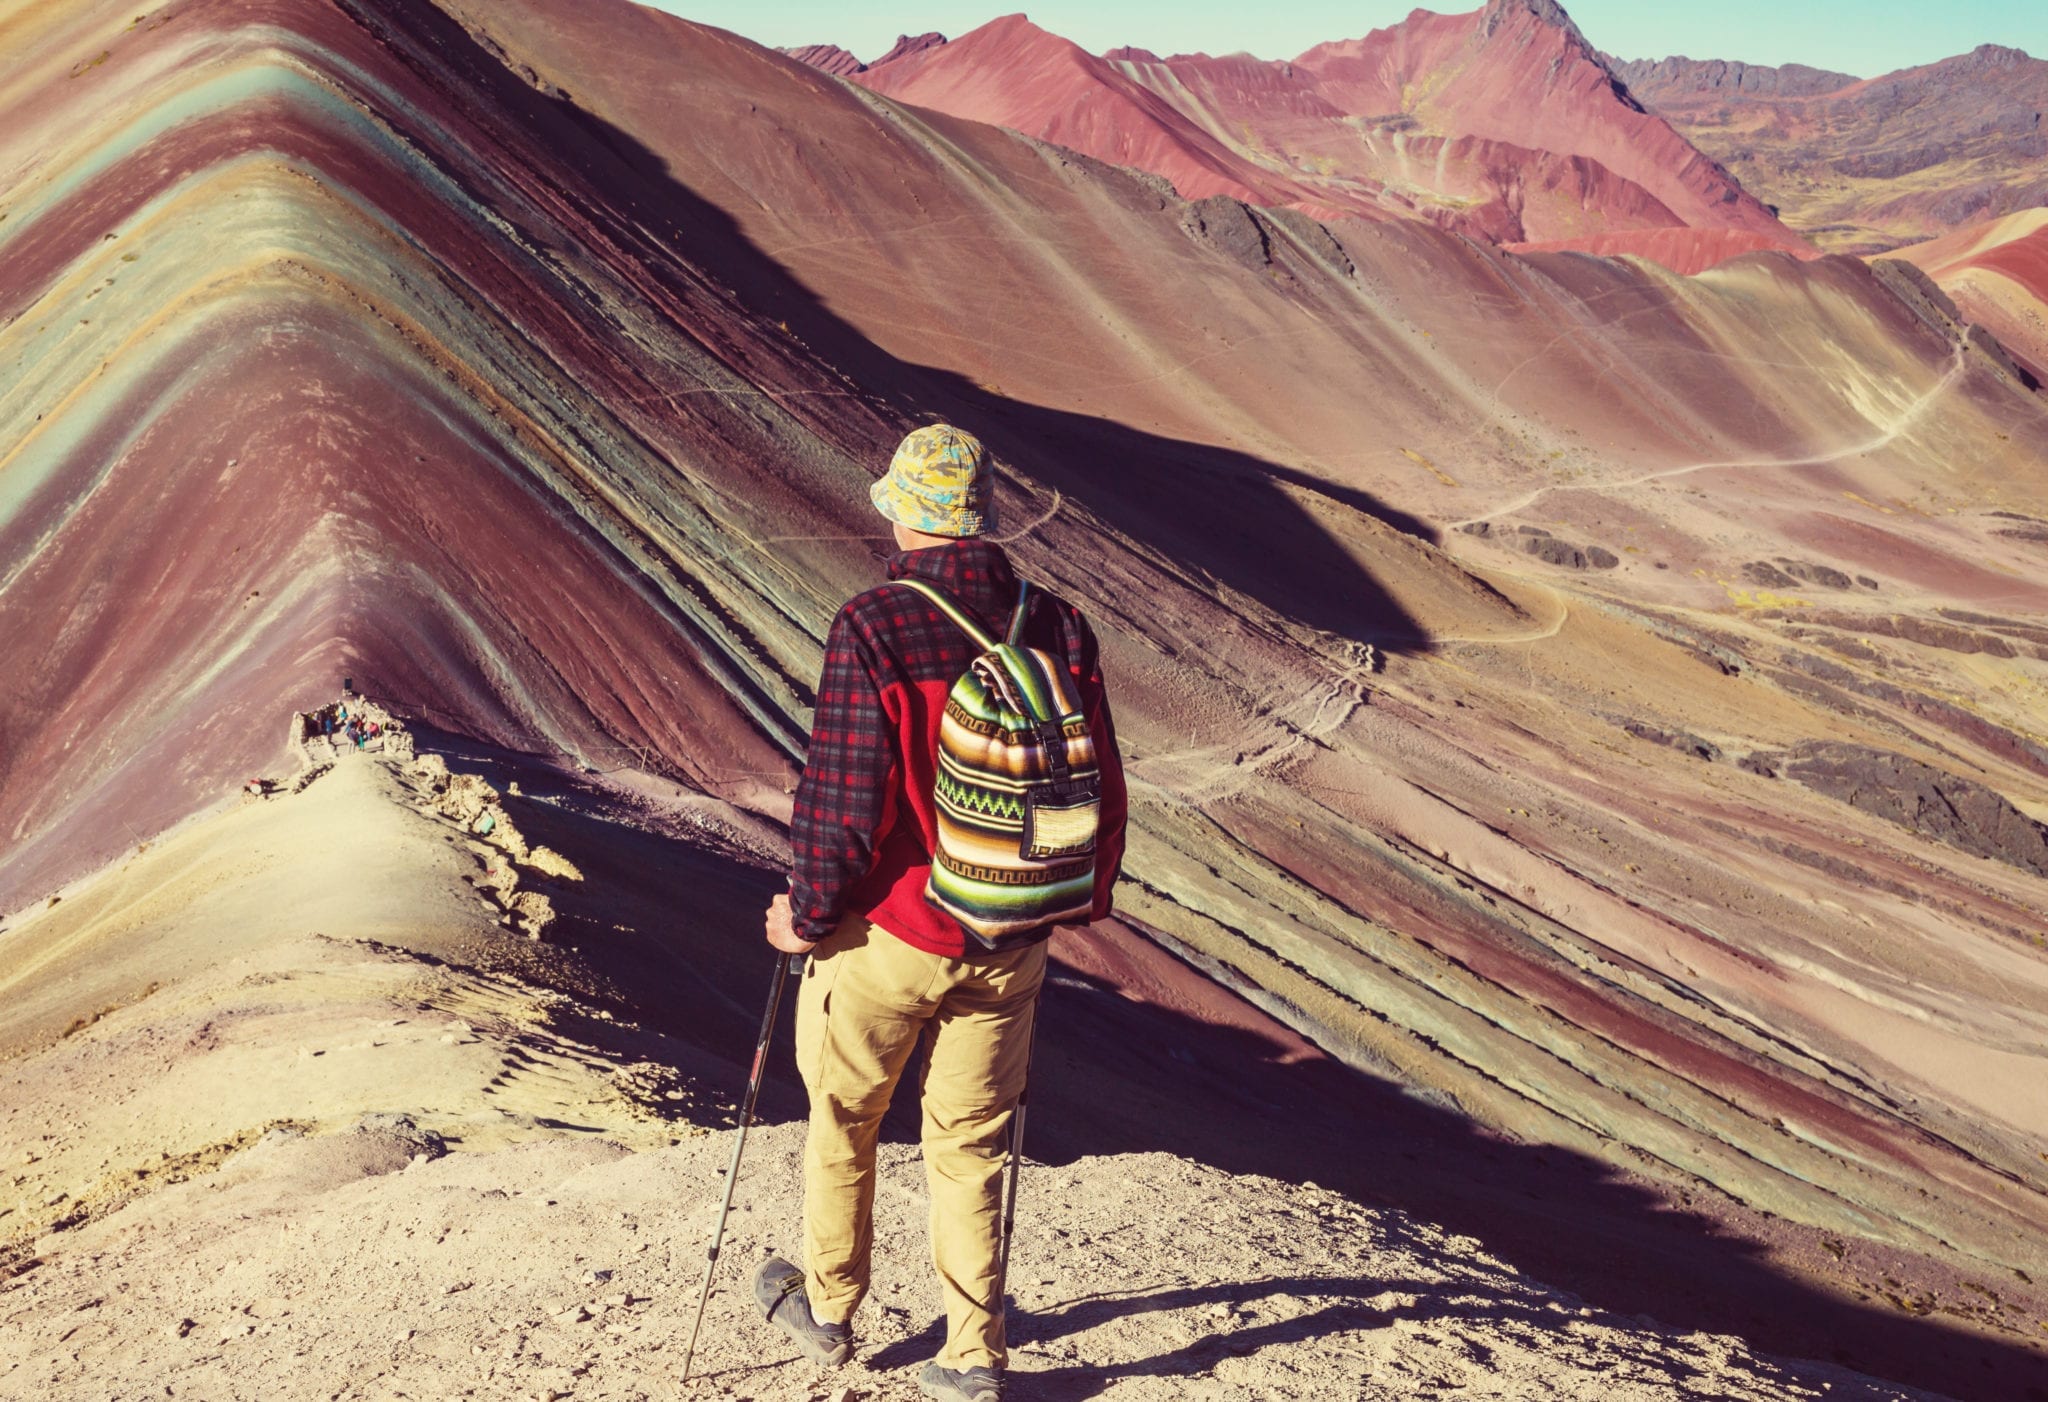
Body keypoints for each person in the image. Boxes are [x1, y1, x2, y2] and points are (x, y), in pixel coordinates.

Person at [756, 424, 1126, 1402]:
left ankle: (831, 1310)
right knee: (970, 1143)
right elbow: (1101, 782)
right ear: (984, 516)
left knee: (844, 1116)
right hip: (1009, 935)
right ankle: (971, 1353)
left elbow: (844, 801)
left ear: (901, 512)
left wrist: (804, 912)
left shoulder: (875, 625)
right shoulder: (1056, 623)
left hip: (888, 934)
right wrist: (1075, 900)